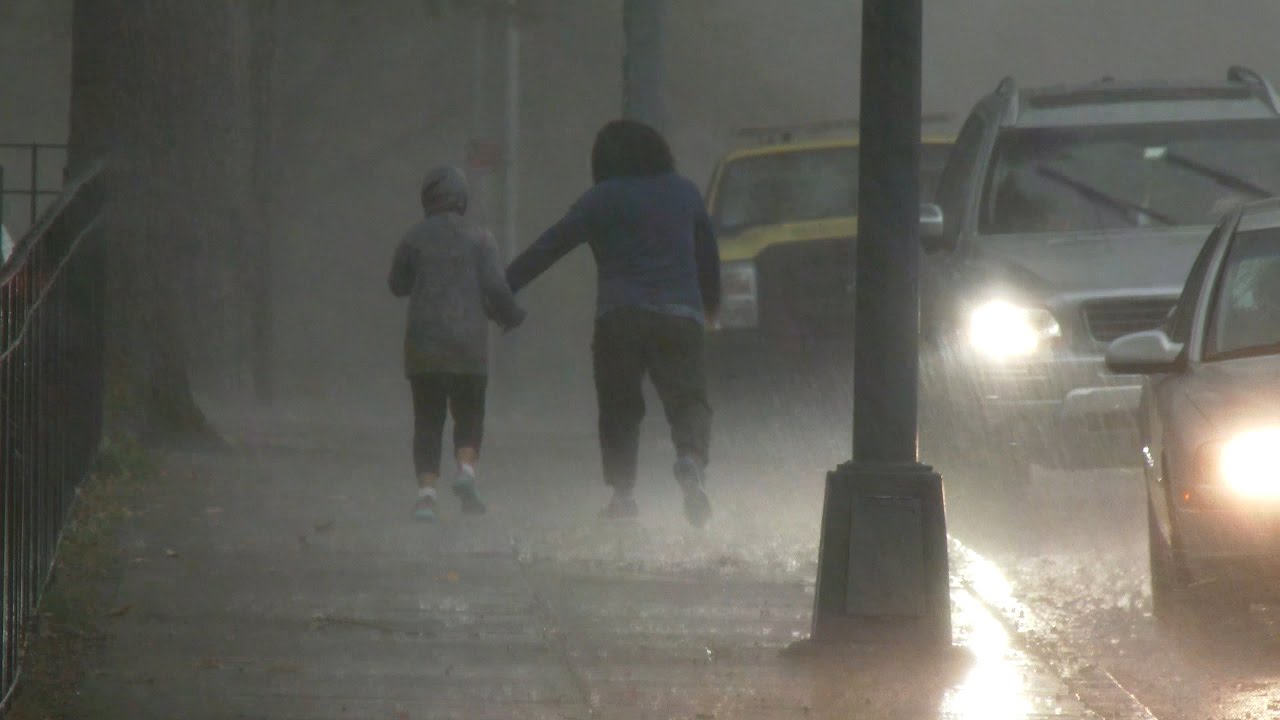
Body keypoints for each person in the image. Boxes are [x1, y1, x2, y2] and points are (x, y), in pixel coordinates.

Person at [505, 119, 721, 527]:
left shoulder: (600, 198)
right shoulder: (685, 192)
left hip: (619, 317)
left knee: (620, 408)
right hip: (680, 316)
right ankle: (690, 461)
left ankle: (623, 498)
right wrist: (709, 307)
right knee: (689, 401)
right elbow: (707, 255)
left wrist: (502, 288)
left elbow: (549, 246)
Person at [389, 166, 524, 522]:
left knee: (428, 420)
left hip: (424, 346)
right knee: (469, 413)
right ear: (462, 198)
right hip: (469, 345)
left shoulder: (413, 237)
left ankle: (426, 498)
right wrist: (512, 315)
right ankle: (465, 473)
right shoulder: (481, 238)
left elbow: (397, 284)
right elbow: (496, 287)